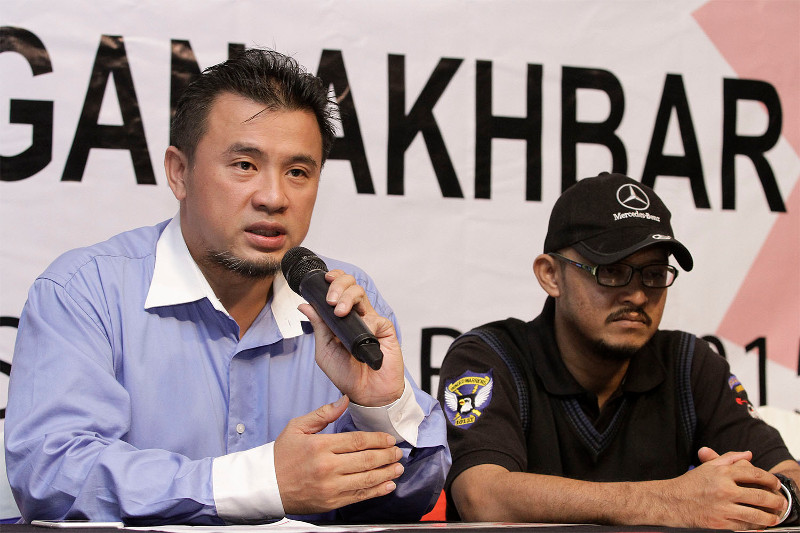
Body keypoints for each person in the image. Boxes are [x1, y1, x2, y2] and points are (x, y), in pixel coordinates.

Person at [5, 49, 450, 525]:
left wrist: (379, 406)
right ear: (179, 172)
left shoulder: (342, 301)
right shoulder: (85, 291)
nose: (274, 197)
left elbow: (413, 497)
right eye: (244, 165)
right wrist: (261, 483)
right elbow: (52, 475)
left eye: (298, 173)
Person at [438, 172, 799, 529]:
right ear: (551, 275)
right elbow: (481, 496)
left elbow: (788, 472)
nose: (638, 295)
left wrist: (777, 500)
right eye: (611, 271)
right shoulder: (491, 356)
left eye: (654, 274)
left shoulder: (688, 363)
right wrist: (669, 501)